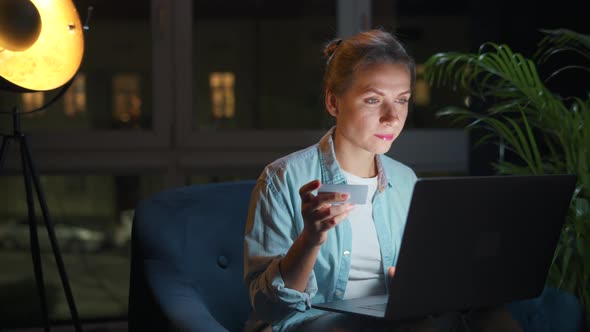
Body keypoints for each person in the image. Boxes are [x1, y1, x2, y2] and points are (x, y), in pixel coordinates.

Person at [243, 29, 522, 332]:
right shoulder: (281, 179)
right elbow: (270, 307)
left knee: (493, 319)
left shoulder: (405, 181)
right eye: (373, 100)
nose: (392, 117)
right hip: (306, 321)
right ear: (333, 102)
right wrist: (311, 238)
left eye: (401, 100)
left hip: (392, 316)